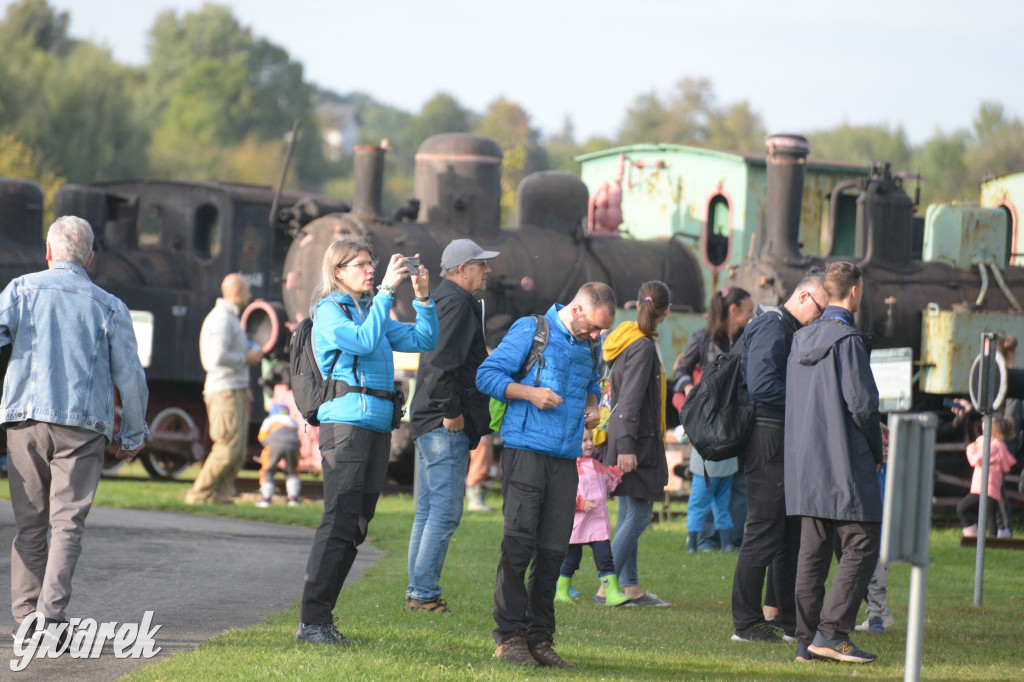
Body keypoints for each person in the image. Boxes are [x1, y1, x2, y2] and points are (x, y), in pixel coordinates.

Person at [1, 216, 148, 642]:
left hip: (25, 420)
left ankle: (25, 618)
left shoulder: (21, 290)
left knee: (29, 525)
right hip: (83, 428)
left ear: (48, 253)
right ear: (91, 258)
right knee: (67, 525)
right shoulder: (110, 306)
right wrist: (133, 434)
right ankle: (49, 619)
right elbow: (131, 378)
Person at [295, 239, 437, 645]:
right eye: (360, 264)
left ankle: (321, 619)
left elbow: (424, 340)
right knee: (338, 520)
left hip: (376, 427)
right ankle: (312, 622)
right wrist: (389, 293)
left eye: (372, 264)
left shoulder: (367, 310)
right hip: (345, 425)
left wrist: (423, 297)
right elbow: (360, 342)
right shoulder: (328, 311)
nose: (370, 270)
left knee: (356, 526)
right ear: (338, 271)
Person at [476, 282, 616, 669]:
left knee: (553, 551)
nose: (596, 336)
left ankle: (540, 639)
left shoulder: (589, 344)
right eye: (592, 328)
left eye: (601, 331)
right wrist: (529, 393)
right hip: (525, 453)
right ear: (575, 310)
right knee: (519, 545)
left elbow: (592, 387)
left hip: (565, 458)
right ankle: (509, 638)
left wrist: (592, 407)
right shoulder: (532, 329)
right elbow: (486, 375)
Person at [786, 261, 883, 664]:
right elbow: (862, 404)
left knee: (812, 553)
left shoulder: (800, 339)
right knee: (862, 542)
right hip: (842, 460)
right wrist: (877, 450)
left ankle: (805, 640)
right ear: (855, 291)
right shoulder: (848, 340)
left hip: (805, 463)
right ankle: (832, 633)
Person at [730, 272, 826, 644]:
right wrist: (810, 397)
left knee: (788, 534)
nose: (819, 317)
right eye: (819, 308)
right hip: (768, 438)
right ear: (803, 297)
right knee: (764, 530)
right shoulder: (772, 327)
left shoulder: (781, 326)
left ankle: (788, 620)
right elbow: (763, 385)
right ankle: (747, 623)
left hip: (778, 437)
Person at [406, 238, 499, 612]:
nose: (488, 270)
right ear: (462, 269)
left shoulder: (447, 300)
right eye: (481, 264)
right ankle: (424, 595)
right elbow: (443, 361)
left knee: (429, 511)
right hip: (444, 422)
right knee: (443, 512)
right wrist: (452, 412)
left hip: (431, 418)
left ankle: (418, 592)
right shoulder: (458, 303)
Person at [598, 281, 672, 607]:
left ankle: (631, 588)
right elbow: (629, 400)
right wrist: (627, 447)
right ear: (665, 313)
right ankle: (606, 586)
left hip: (624, 437)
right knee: (640, 517)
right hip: (635, 442)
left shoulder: (625, 340)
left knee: (629, 512)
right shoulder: (641, 347)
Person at [674, 287, 753, 553]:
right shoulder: (703, 339)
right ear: (733, 310)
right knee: (707, 482)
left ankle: (733, 538)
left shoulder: (748, 339)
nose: (752, 315)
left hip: (740, 420)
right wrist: (691, 393)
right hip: (711, 423)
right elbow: (681, 372)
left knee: (737, 481)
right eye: (748, 310)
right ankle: (707, 539)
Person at [185, 274, 264, 505]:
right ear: (237, 292)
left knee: (238, 450)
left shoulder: (229, 319)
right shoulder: (221, 319)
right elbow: (214, 358)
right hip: (224, 391)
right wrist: (245, 358)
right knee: (227, 447)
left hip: (233, 389)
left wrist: (243, 386)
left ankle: (222, 494)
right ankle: (197, 494)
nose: (250, 295)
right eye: (247, 290)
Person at [554, 428, 629, 607]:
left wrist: (619, 470)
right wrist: (579, 504)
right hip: (577, 524)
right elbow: (562, 493)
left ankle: (611, 594)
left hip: (597, 523)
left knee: (605, 556)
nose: (589, 444)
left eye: (590, 439)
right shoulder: (567, 467)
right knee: (570, 559)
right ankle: (561, 591)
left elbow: (608, 481)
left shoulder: (595, 465)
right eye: (584, 440)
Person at [855, 424, 894, 635]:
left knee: (879, 577)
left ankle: (877, 616)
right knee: (859, 575)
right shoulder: (865, 473)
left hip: (884, 533)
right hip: (865, 530)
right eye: (881, 446)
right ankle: (849, 615)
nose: (885, 449)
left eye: (888, 445)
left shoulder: (892, 472)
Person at [956, 415, 1017, 538]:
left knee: (965, 509)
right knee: (990, 516)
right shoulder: (997, 445)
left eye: (985, 428)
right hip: (987, 487)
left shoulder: (993, 447)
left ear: (992, 430)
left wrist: (970, 448)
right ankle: (991, 538)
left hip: (985, 487)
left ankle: (986, 539)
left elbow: (975, 459)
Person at [256, 403, 302, 507]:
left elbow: (262, 437)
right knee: (292, 471)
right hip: (293, 446)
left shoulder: (269, 420)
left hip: (274, 445)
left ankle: (265, 499)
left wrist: (267, 447)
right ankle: (293, 498)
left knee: (268, 470)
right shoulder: (293, 421)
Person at [465, 435, 496, 512]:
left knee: (484, 464)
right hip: (479, 431)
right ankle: (475, 501)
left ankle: (478, 500)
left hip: (487, 431)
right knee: (480, 464)